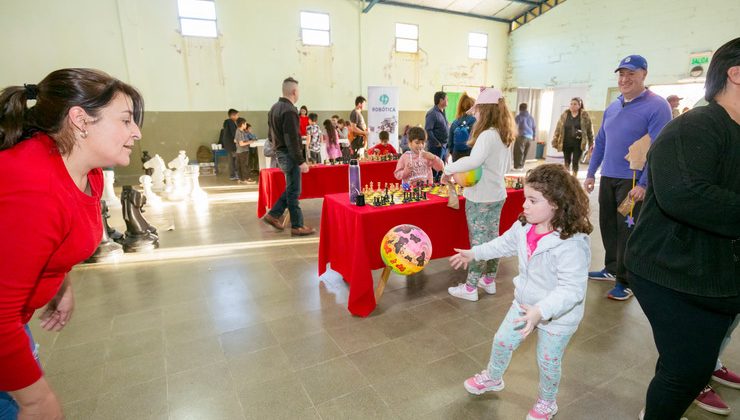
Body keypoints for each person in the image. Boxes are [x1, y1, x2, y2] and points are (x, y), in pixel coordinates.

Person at [0, 68, 144, 420]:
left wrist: (59, 283)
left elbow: (55, 238)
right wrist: (36, 401)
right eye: (126, 121)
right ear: (80, 120)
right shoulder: (32, 186)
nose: (136, 132)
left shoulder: (86, 170)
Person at [624, 37, 740, 420]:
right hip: (670, 272)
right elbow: (686, 194)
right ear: (736, 75)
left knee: (688, 362)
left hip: (714, 272)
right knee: (686, 371)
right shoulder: (697, 126)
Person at [450, 164, 592, 420]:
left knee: (548, 361)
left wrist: (542, 311)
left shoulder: (571, 242)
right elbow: (502, 244)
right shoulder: (525, 226)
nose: (524, 205)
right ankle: (493, 377)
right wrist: (474, 253)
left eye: (532, 200)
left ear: (556, 203)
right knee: (502, 341)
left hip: (558, 317)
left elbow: (572, 289)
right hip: (525, 304)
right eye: (526, 198)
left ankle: (547, 402)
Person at [584, 54, 672, 300]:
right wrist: (591, 172)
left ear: (644, 74)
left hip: (632, 182)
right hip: (609, 177)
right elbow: (601, 141)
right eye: (622, 74)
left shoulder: (657, 106)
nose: (625, 79)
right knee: (609, 226)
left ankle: (627, 280)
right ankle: (612, 268)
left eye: (631, 73)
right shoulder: (613, 105)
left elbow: (658, 148)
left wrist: (644, 183)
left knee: (627, 230)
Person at [443, 88, 515, 301]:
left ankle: (470, 287)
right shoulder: (505, 134)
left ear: (486, 110)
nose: (475, 114)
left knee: (479, 243)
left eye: (478, 110)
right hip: (497, 194)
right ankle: (489, 280)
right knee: (492, 239)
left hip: (480, 197)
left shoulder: (487, 135)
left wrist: (449, 169)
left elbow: (473, 162)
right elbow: (508, 165)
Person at [262, 77, 315, 236]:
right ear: (294, 91)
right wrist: (301, 161)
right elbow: (291, 139)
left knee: (291, 188)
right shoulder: (290, 110)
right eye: (298, 90)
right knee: (294, 191)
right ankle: (297, 225)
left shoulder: (274, 108)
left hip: (280, 153)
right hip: (289, 154)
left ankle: (274, 214)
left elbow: (270, 135)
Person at [551, 97, 594, 177]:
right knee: (567, 161)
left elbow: (590, 131)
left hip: (579, 143)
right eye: (571, 104)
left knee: (575, 162)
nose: (572, 106)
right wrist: (555, 139)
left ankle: (574, 177)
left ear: (579, 105)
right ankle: (567, 177)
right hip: (566, 142)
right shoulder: (564, 115)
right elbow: (558, 128)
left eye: (575, 104)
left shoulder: (584, 116)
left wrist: (591, 143)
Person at [425, 91, 449, 181]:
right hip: (436, 147)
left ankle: (439, 189)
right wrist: (437, 143)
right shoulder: (432, 113)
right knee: (434, 171)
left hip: (444, 146)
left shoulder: (443, 112)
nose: (448, 101)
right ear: (441, 100)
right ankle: (431, 190)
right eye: (447, 99)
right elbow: (428, 130)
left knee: (442, 168)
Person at [447, 92, 476, 162]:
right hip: (471, 156)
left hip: (456, 155)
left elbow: (450, 144)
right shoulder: (476, 122)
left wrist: (454, 152)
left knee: (458, 173)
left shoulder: (454, 123)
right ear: (473, 107)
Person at [513, 103, 536, 170]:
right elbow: (534, 127)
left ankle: (518, 167)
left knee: (518, 151)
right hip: (530, 137)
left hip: (522, 136)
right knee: (525, 152)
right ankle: (521, 166)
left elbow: (514, 126)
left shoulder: (519, 117)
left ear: (520, 109)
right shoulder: (531, 117)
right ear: (526, 109)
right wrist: (534, 136)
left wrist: (513, 135)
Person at [234, 118, 256, 184]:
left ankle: (241, 179)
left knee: (240, 166)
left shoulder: (238, 131)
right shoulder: (240, 132)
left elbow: (235, 140)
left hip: (239, 151)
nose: (246, 125)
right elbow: (241, 144)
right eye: (245, 123)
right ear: (242, 124)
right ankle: (247, 179)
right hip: (243, 151)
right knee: (245, 166)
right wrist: (250, 142)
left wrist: (245, 141)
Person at [220, 108, 239, 180]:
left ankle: (233, 175)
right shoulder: (230, 122)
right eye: (237, 115)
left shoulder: (227, 122)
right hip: (231, 145)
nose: (237, 117)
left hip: (229, 145)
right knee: (233, 160)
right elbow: (234, 132)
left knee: (232, 160)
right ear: (233, 115)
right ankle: (233, 175)